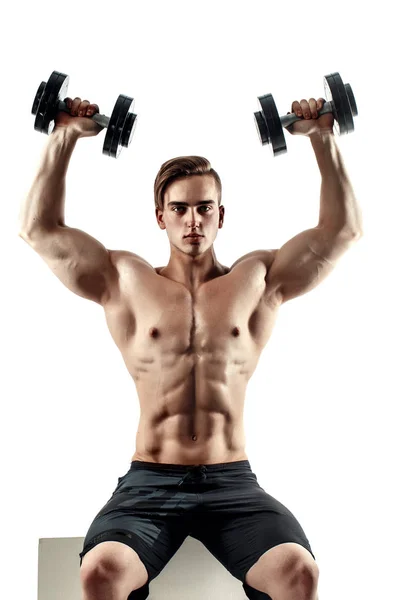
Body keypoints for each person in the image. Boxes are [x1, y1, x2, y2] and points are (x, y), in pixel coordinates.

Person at [19, 92, 363, 600]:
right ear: (161, 217)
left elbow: (343, 230)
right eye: (179, 209)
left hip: (234, 485)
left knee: (299, 574)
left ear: (222, 214)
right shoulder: (124, 278)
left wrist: (323, 139)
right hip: (149, 484)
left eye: (204, 208)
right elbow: (38, 228)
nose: (193, 221)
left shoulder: (259, 278)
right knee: (100, 575)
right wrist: (64, 135)